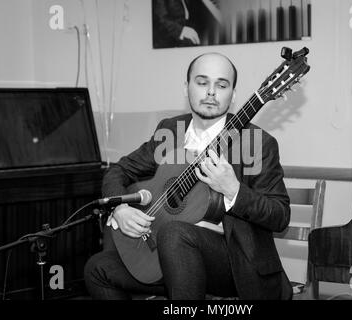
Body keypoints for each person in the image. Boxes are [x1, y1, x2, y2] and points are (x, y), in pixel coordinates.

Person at [84, 52, 293, 300]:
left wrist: (233, 190)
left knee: (175, 233)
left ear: (233, 94)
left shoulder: (257, 143)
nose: (211, 92)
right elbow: (118, 170)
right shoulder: (170, 130)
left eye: (222, 84)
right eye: (202, 82)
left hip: (235, 266)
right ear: (187, 88)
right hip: (168, 260)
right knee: (97, 268)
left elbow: (280, 216)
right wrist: (119, 209)